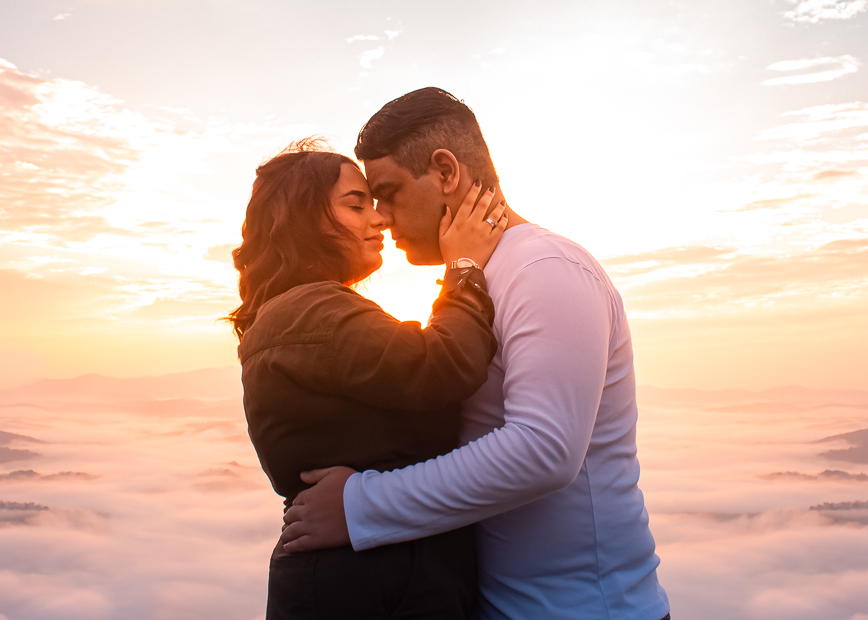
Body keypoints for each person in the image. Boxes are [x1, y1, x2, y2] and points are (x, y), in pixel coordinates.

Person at [280, 90, 671, 620]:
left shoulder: (545, 269)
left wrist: (360, 506)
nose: (383, 217)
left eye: (389, 193)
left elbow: (544, 449)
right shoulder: (477, 275)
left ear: (445, 171)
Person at [226, 138, 510, 619]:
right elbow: (441, 366)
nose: (379, 219)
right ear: (304, 219)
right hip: (369, 585)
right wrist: (464, 269)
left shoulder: (294, 312)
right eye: (356, 205)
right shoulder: (310, 310)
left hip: (362, 576)